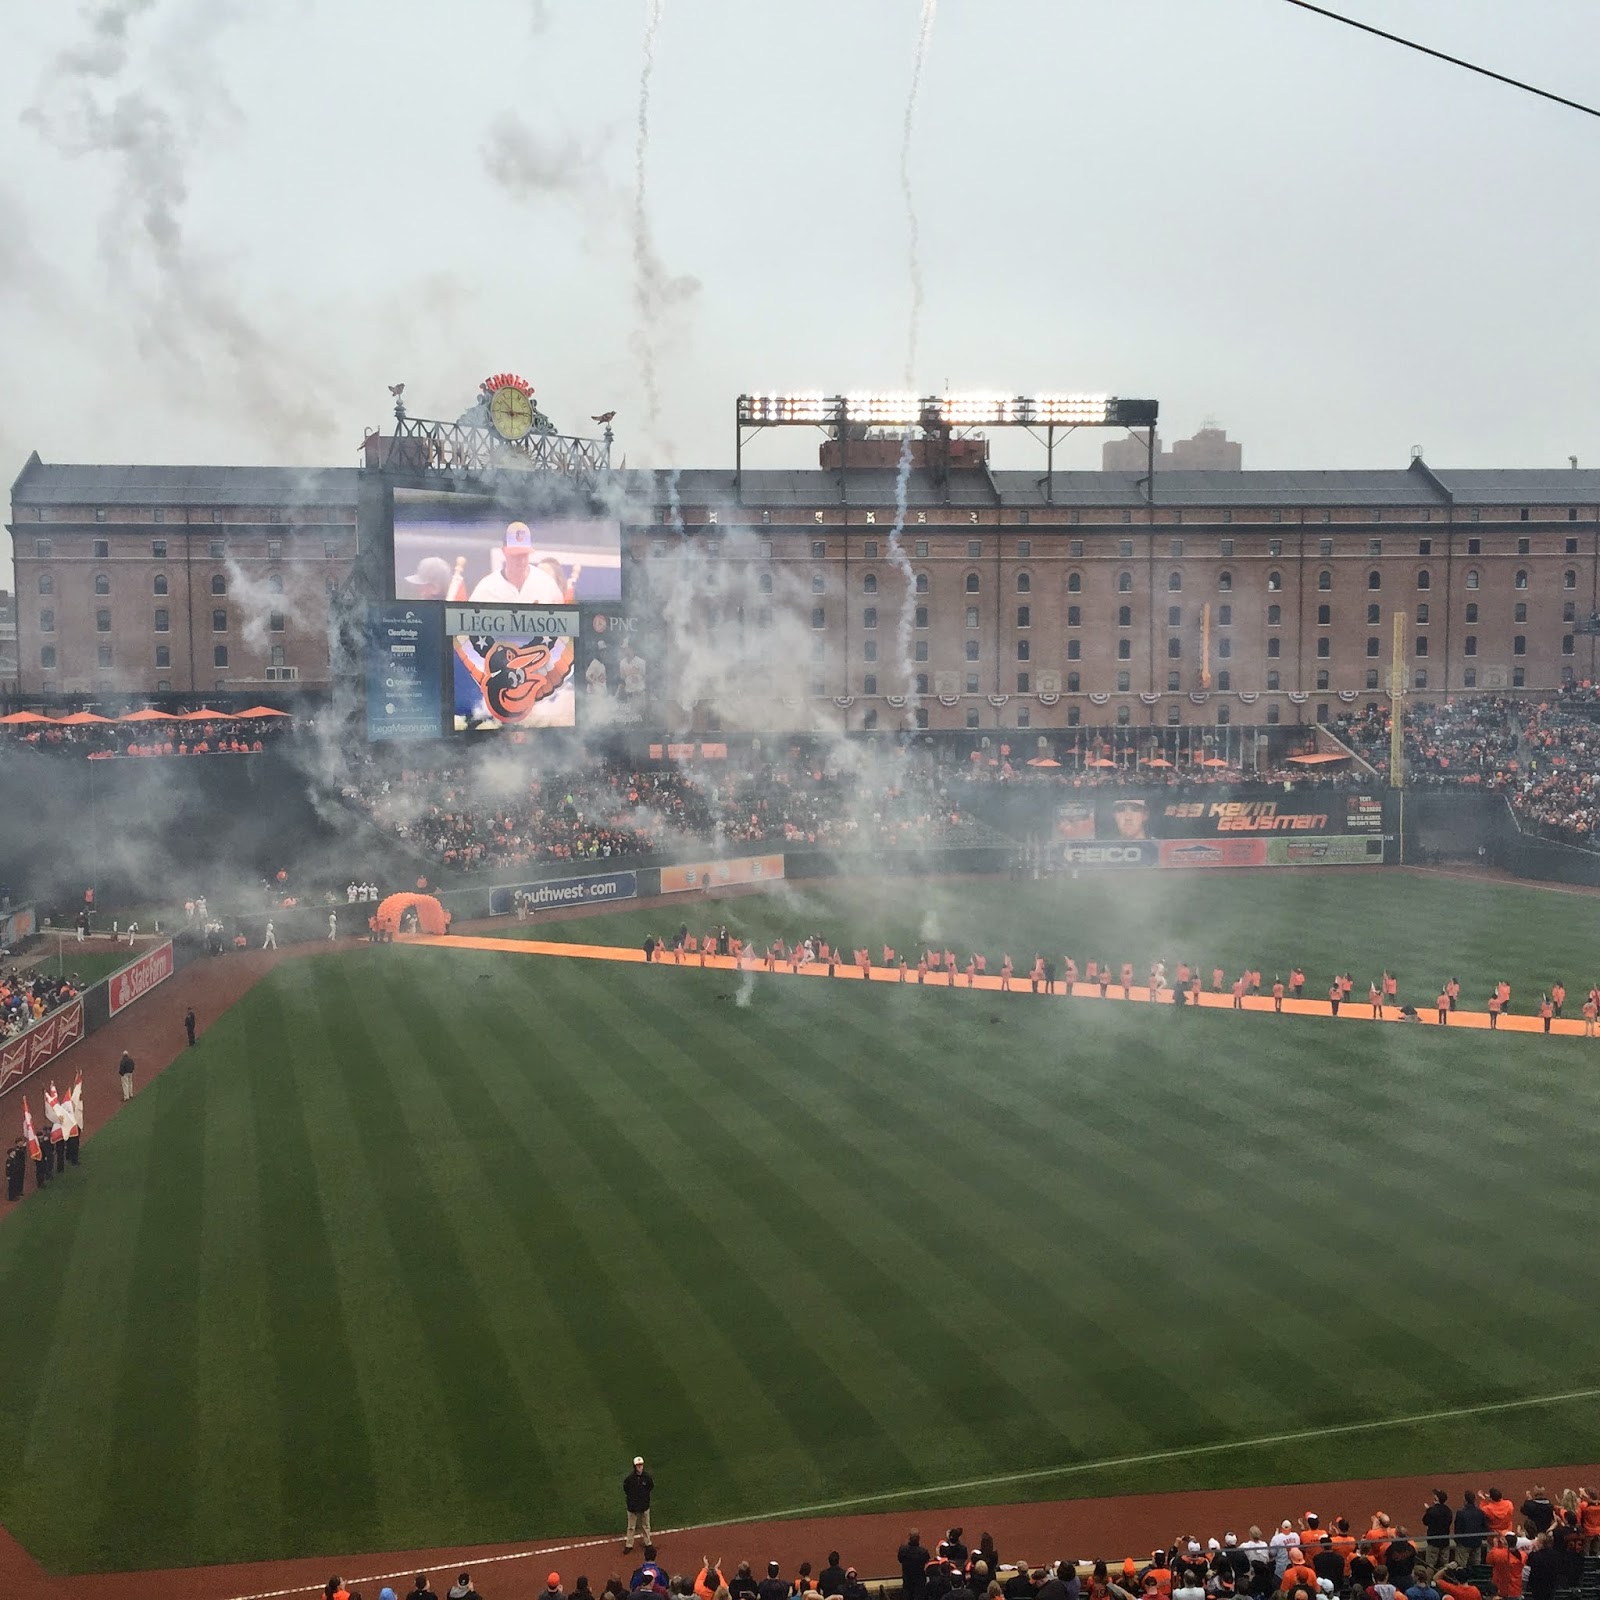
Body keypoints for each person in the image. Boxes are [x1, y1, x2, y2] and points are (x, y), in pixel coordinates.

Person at [470, 522, 568, 604]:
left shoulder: (546, 584)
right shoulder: (486, 588)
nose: (522, 561)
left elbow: (562, 617)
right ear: (504, 551)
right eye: (516, 555)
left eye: (525, 555)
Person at [622, 1456, 653, 1551]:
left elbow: (650, 1487)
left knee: (646, 1526)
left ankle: (648, 1543)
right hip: (633, 1506)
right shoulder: (630, 1479)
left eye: (641, 1465)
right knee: (631, 1527)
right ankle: (629, 1545)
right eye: (638, 1465)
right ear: (634, 1466)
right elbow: (626, 1489)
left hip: (644, 1505)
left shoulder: (647, 1477)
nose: (640, 1467)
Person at [900, 1531, 931, 1600]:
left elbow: (900, 1559)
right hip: (919, 1581)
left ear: (909, 1538)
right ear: (918, 1539)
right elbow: (926, 1562)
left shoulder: (903, 1550)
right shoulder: (923, 1552)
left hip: (907, 1580)